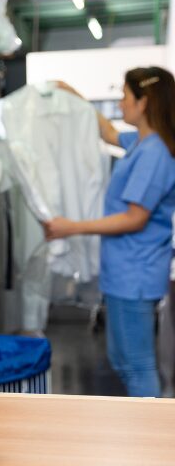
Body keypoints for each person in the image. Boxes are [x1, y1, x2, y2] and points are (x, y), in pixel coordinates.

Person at [46, 67, 175, 397]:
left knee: (138, 364)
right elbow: (107, 133)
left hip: (137, 272)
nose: (120, 104)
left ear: (143, 102)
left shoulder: (155, 153)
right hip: (124, 270)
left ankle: (154, 441)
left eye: (125, 97)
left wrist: (72, 227)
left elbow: (135, 218)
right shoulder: (141, 142)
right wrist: (73, 94)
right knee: (122, 358)